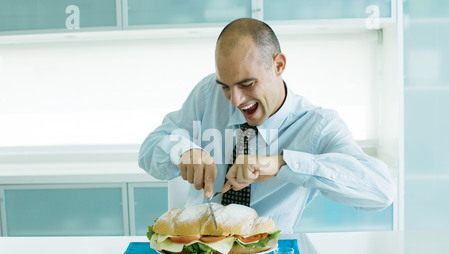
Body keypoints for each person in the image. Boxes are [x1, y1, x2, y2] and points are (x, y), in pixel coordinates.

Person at [138, 18, 395, 233]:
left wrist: (282, 164)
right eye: (226, 86)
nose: (236, 100)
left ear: (279, 65)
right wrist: (181, 151)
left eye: (248, 84)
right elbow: (149, 149)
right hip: (195, 250)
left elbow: (381, 191)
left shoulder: (317, 125)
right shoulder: (208, 93)